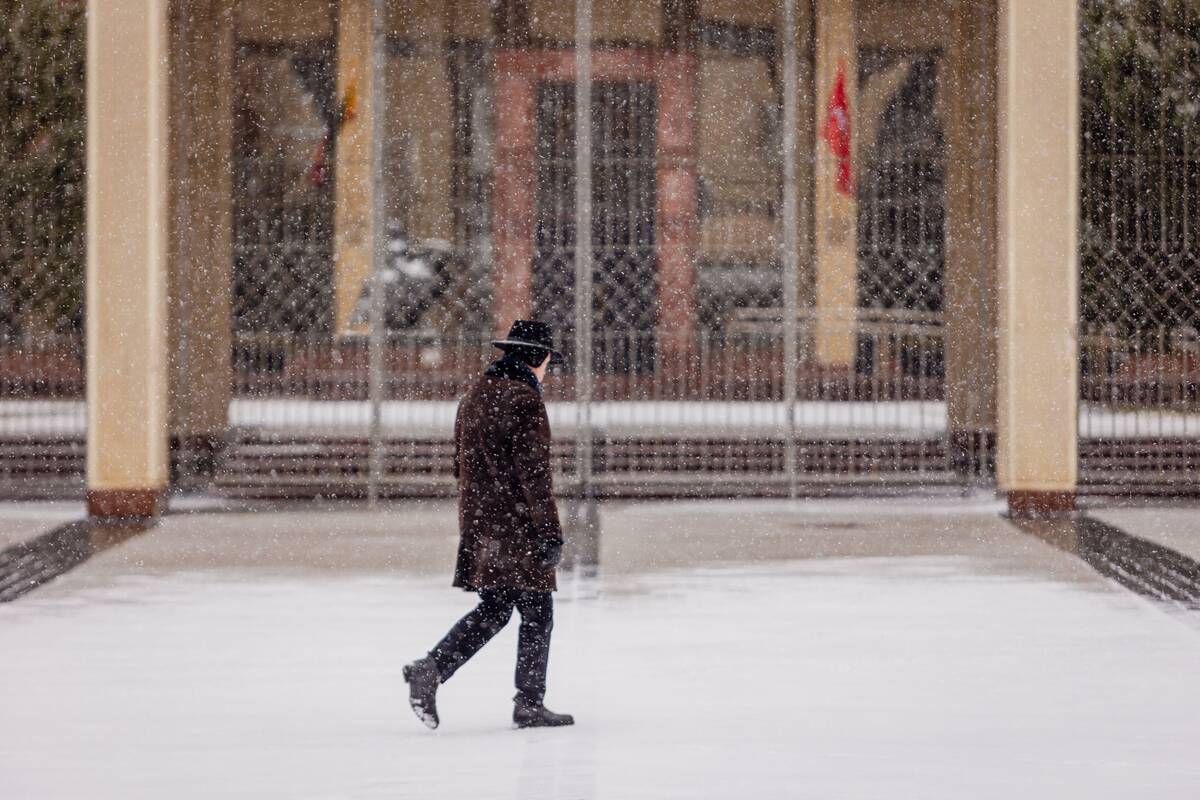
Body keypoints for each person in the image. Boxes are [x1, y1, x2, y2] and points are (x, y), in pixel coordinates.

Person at [403, 320, 575, 730]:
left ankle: (432, 669)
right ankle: (529, 703)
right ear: (537, 357)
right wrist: (549, 531)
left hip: (481, 521)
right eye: (548, 360)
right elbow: (534, 475)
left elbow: (458, 465)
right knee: (537, 611)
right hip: (517, 526)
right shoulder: (524, 400)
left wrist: (482, 510)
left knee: (497, 607)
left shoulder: (474, 396)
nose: (549, 369)